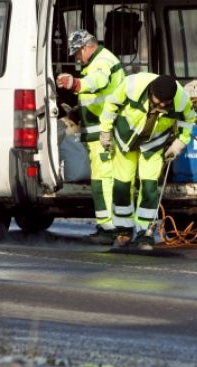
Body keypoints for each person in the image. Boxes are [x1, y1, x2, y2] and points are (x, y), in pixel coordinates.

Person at [99, 73, 196, 250]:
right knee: (122, 185)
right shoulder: (132, 85)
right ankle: (123, 231)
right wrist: (105, 131)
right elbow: (110, 104)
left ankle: (145, 233)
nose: (162, 105)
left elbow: (189, 120)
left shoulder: (181, 100)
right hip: (125, 138)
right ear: (151, 92)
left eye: (166, 103)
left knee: (150, 187)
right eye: (158, 101)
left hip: (153, 144)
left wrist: (179, 144)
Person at [56, 30, 125, 244]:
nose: (76, 59)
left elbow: (98, 82)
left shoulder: (102, 62)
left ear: (86, 47)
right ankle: (109, 226)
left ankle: (110, 229)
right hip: (99, 130)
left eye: (77, 54)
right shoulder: (98, 61)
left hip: (103, 131)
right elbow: (97, 96)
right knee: (104, 179)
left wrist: (74, 84)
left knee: (103, 181)